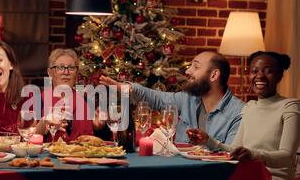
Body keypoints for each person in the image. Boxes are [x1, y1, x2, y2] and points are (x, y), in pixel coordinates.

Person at [188, 51, 300, 180]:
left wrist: (253, 154)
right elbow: (235, 148)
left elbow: (287, 156)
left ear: (279, 75)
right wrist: (208, 141)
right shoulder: (250, 107)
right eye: (254, 71)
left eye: (268, 70)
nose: (259, 76)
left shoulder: (290, 106)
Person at [100, 51, 244, 144]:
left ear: (214, 75)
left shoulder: (239, 112)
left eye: (196, 67)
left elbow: (231, 156)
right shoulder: (187, 99)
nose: (188, 71)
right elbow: (157, 98)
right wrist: (129, 88)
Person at [34, 48, 95, 142]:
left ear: (76, 72)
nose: (66, 72)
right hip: (48, 156)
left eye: (71, 68)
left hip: (81, 155)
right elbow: (27, 140)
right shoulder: (39, 100)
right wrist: (43, 124)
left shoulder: (86, 100)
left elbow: (94, 139)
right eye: (60, 67)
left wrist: (100, 128)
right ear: (50, 72)